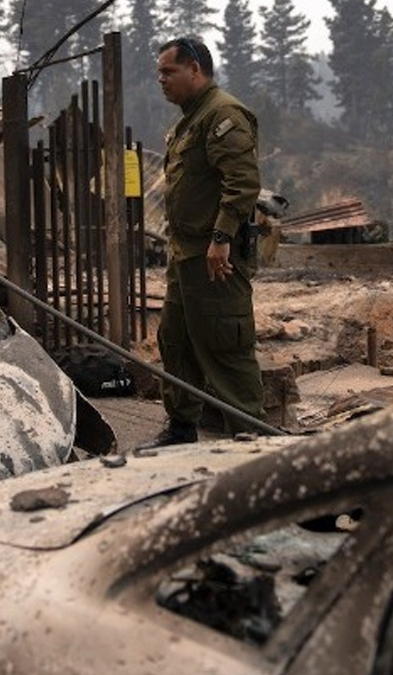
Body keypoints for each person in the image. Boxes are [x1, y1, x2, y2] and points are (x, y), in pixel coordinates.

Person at [138, 36, 264, 450]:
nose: (161, 80)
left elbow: (242, 183)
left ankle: (253, 439)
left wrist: (222, 237)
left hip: (215, 256)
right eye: (159, 72)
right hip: (186, 254)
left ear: (195, 69)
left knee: (226, 343)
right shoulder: (189, 121)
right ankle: (180, 429)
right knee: (176, 340)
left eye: (168, 72)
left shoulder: (222, 114)